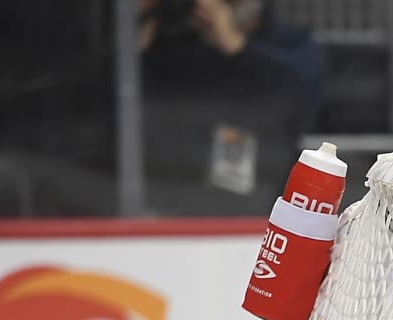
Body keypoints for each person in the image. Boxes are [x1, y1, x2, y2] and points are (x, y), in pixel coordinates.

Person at [139, 0, 328, 213]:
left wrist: (236, 47)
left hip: (261, 204)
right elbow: (123, 107)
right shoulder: (175, 44)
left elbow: (298, 106)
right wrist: (144, 20)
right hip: (177, 198)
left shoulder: (293, 43)